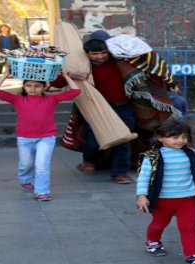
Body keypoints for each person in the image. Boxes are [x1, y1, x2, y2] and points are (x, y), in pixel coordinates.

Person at [50, 31, 135, 184]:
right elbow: (55, 82)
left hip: (122, 107)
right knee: (92, 139)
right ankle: (88, 160)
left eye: (104, 53)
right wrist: (70, 75)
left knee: (123, 139)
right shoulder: (79, 65)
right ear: (87, 53)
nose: (101, 57)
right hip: (93, 108)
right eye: (95, 54)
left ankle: (119, 173)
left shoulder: (119, 62)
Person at [0, 67, 81, 201]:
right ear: (24, 86)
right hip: (24, 138)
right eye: (28, 85)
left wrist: (67, 76)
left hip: (46, 138)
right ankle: (26, 179)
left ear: (44, 87)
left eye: (37, 86)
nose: (32, 89)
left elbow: (75, 91)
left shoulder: (51, 99)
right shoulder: (17, 100)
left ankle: (42, 191)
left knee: (42, 165)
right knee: (25, 164)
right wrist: (5, 75)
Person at [135, 118, 195, 264]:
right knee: (158, 224)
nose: (180, 141)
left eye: (184, 137)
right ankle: (152, 241)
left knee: (188, 227)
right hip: (164, 199)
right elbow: (144, 177)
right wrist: (141, 196)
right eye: (175, 137)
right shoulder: (152, 156)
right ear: (161, 137)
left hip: (188, 198)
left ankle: (192, 256)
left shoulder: (189, 153)